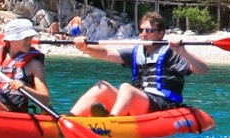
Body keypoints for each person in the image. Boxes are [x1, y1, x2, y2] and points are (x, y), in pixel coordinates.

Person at [66, 11, 208, 116]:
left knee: (126, 88)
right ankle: (68, 120)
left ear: (160, 34)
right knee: (101, 87)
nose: (144, 34)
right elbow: (105, 53)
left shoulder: (171, 53)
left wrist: (183, 51)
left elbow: (202, 69)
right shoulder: (136, 52)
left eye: (149, 30)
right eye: (141, 30)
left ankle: (111, 123)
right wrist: (85, 48)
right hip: (141, 101)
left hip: (162, 104)